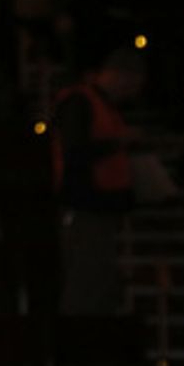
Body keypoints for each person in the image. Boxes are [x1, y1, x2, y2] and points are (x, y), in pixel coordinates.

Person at [52, 43, 145, 315]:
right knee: (85, 283)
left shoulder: (104, 106)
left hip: (101, 207)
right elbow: (75, 152)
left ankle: (91, 345)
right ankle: (78, 348)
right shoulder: (80, 101)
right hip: (83, 207)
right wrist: (117, 143)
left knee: (100, 283)